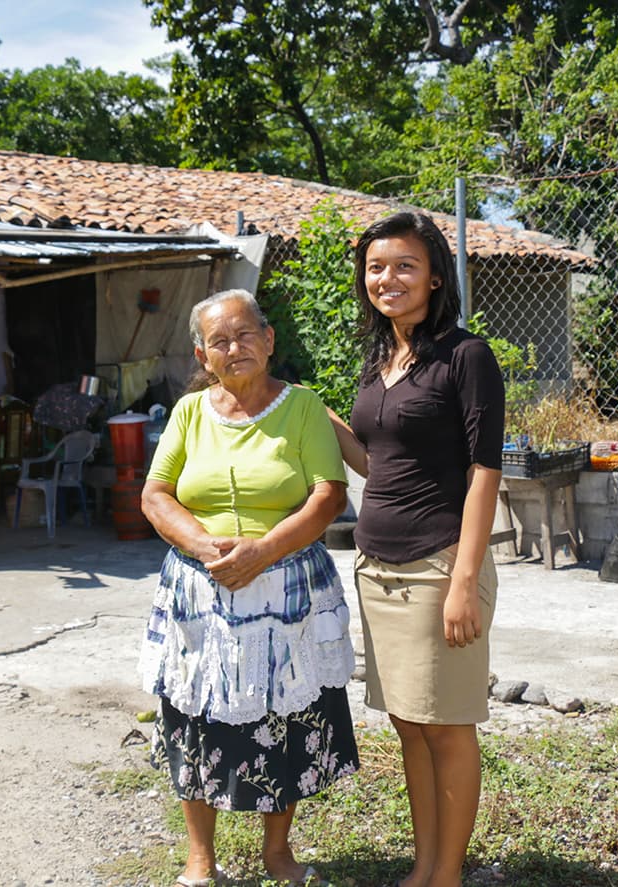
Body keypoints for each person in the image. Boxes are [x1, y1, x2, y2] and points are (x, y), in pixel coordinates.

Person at [138, 289, 359, 887]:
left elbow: (328, 495)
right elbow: (156, 496)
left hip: (284, 584)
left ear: (269, 340)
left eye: (245, 334)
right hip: (201, 586)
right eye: (219, 340)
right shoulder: (188, 413)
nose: (234, 347)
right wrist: (206, 547)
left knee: (283, 717)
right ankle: (199, 856)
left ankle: (277, 851)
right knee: (193, 713)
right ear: (202, 355)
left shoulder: (304, 406)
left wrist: (262, 551)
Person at [328, 211, 504, 887]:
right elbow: (378, 462)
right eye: (376, 266)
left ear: (434, 276)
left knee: (448, 726)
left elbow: (484, 470)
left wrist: (464, 578)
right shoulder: (381, 362)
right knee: (410, 724)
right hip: (377, 567)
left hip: (438, 564)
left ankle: (447, 875)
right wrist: (316, 412)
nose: (388, 278)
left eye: (404, 265)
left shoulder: (466, 356)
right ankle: (425, 865)